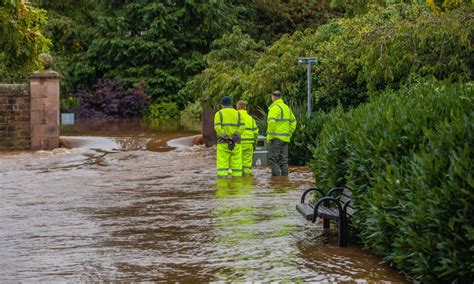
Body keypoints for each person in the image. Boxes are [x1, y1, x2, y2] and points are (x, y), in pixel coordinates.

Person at [266, 90, 297, 176]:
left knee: (274, 160)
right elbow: (294, 122)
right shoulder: (287, 108)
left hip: (275, 139)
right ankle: (284, 180)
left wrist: (270, 137)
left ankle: (276, 182)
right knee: (284, 160)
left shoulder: (274, 108)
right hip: (285, 139)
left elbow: (271, 123)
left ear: (273, 97)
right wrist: (289, 133)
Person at [214, 96, 245, 177]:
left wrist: (226, 136)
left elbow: (217, 127)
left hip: (223, 143)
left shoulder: (218, 114)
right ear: (231, 104)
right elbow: (242, 126)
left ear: (222, 104)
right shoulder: (238, 113)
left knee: (222, 167)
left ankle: (222, 187)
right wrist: (234, 136)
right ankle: (237, 186)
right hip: (236, 143)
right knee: (237, 167)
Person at [236, 100, 258, 175]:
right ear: (245, 108)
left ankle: (238, 183)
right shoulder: (251, 119)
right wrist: (255, 145)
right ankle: (247, 183)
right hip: (249, 144)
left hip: (238, 144)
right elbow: (256, 133)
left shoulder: (235, 118)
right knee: (247, 166)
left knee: (237, 165)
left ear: (237, 107)